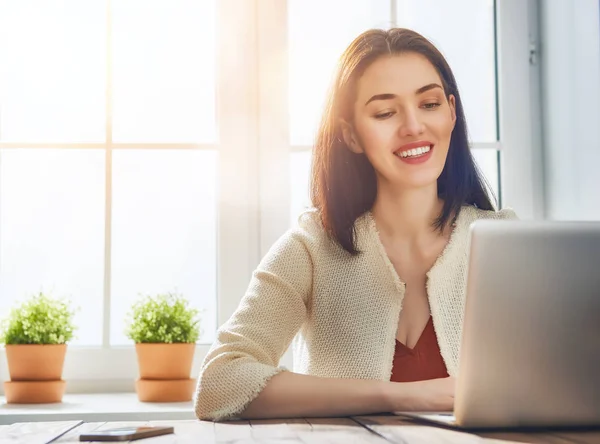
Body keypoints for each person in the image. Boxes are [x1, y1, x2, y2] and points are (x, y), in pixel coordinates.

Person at [194, 28, 516, 421]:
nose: (413, 126)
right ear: (350, 134)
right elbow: (220, 382)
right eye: (385, 112)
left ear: (451, 111)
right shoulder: (311, 246)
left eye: (429, 104)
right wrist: (403, 396)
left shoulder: (506, 243)